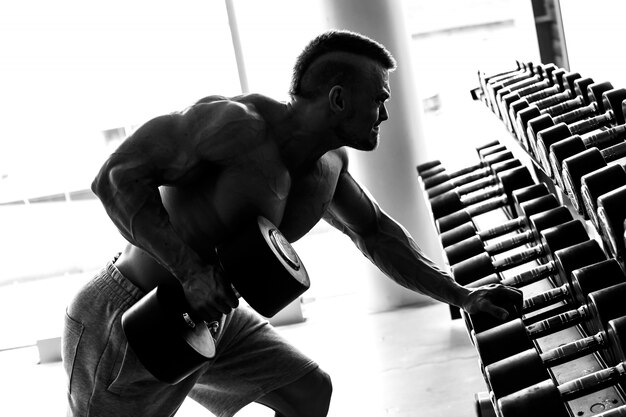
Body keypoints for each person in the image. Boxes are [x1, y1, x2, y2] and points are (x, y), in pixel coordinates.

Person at [63, 30, 522, 417]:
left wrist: (463, 295)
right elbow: (115, 177)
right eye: (378, 99)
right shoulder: (233, 126)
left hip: (213, 319)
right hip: (130, 311)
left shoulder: (329, 169)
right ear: (339, 99)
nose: (384, 113)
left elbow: (377, 234)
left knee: (308, 393)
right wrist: (190, 270)